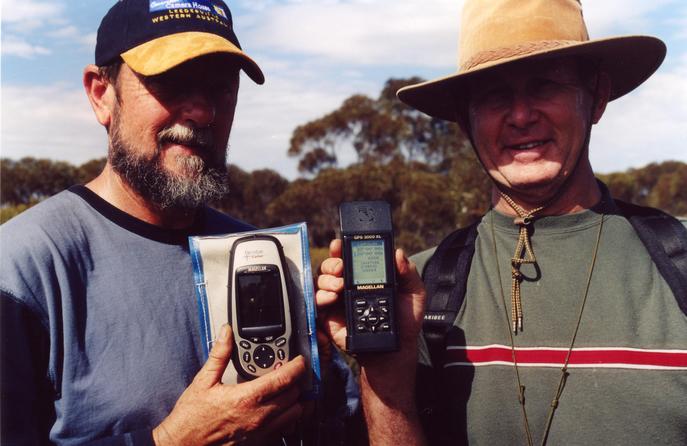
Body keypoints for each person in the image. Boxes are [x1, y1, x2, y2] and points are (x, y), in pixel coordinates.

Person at [316, 0, 687, 444]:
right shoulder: (417, 290)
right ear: (464, 121)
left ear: (597, 97)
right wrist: (384, 376)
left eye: (545, 85)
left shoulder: (676, 265)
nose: (521, 115)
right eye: (494, 95)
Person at [0, 1, 308, 444]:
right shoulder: (23, 269)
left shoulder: (264, 254)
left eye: (221, 87)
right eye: (171, 81)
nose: (202, 113)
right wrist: (172, 440)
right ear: (101, 94)